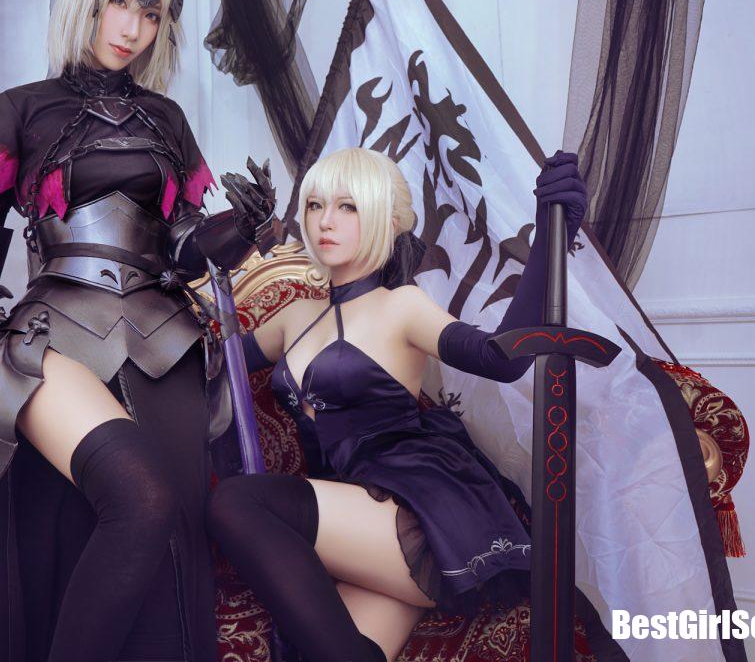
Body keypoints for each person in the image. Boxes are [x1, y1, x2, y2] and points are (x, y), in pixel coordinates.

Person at [0, 0, 278, 661]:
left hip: (166, 347)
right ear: (87, 1)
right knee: (119, 509)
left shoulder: (168, 120)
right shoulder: (22, 109)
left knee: (165, 551)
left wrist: (243, 227)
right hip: (54, 338)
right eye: (120, 4)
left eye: (152, 13)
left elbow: (186, 250)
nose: (133, 28)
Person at [205, 146, 588, 661]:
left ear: (384, 219)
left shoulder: (401, 306)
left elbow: (503, 360)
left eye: (348, 206)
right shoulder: (294, 316)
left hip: (412, 512)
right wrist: (227, 241)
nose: (325, 221)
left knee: (237, 501)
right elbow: (209, 364)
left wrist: (548, 240)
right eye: (315, 205)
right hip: (350, 525)